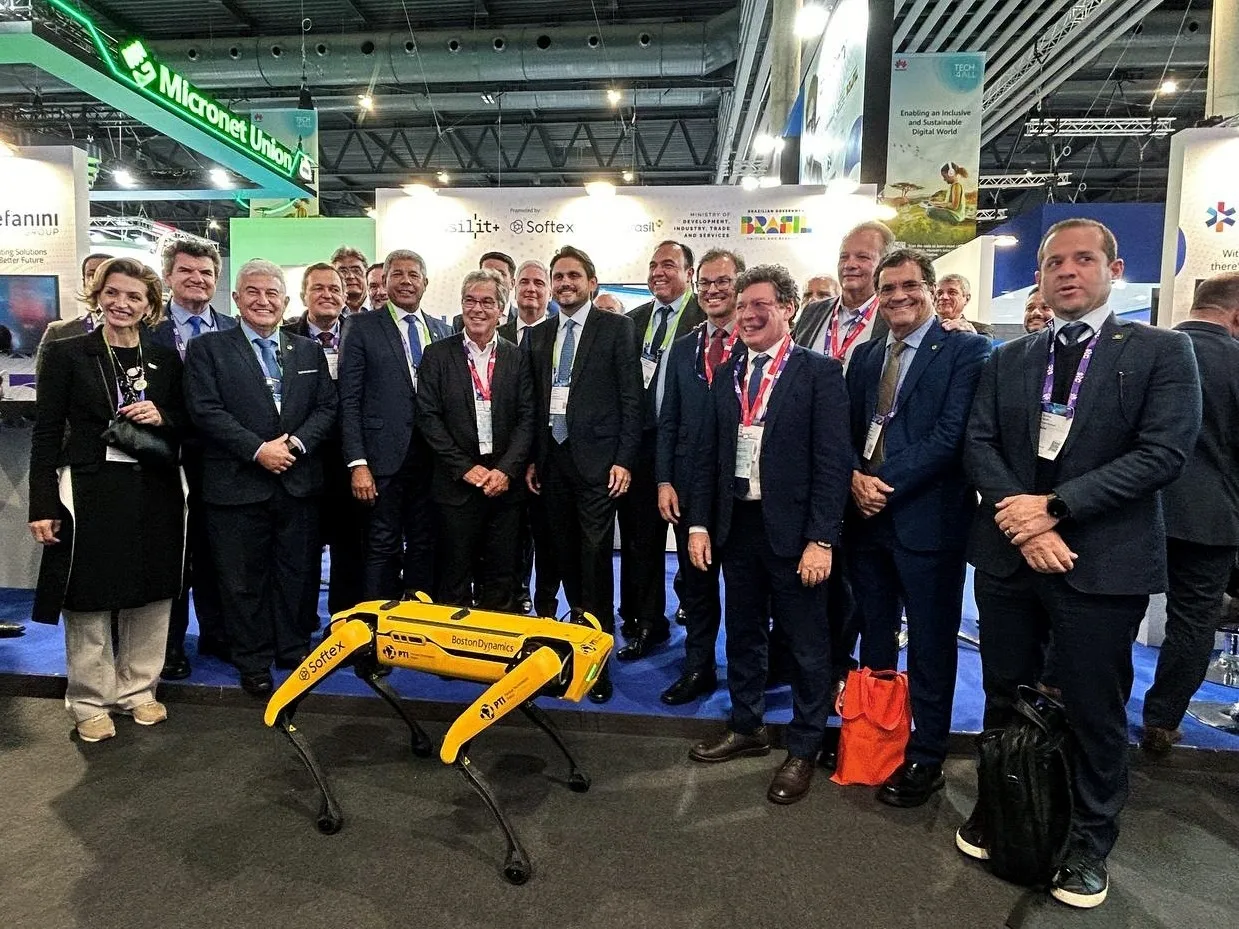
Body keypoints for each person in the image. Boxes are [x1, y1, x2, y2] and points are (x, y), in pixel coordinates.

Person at [960, 218, 1201, 909]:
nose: (1067, 271)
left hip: (1102, 561)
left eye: (1083, 259)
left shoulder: (1161, 351)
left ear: (1112, 270)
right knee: (1004, 694)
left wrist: (1054, 508)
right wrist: (1022, 519)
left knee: (1094, 707)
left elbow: (1162, 454)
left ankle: (1088, 841)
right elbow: (979, 444)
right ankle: (1002, 807)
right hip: (1010, 557)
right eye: (1054, 262)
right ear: (1038, 276)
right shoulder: (1009, 357)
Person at [686, 264, 851, 805]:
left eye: (761, 304)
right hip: (738, 527)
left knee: (807, 646)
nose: (748, 315)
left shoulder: (819, 373)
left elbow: (832, 463)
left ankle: (804, 747)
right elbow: (708, 456)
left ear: (788, 309)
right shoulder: (728, 372)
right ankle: (746, 725)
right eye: (742, 306)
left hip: (797, 535)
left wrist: (821, 539)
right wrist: (700, 523)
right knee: (744, 633)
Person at [844, 249, 991, 807]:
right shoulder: (865, 356)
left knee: (931, 645)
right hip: (867, 524)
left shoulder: (967, 351)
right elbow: (848, 429)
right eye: (887, 288)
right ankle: (877, 740)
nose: (898, 296)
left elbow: (951, 436)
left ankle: (926, 756)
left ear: (931, 289)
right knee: (875, 637)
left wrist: (878, 482)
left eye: (909, 286)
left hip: (929, 524)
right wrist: (854, 478)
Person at [28, 257, 186, 742]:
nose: (122, 303)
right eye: (113, 292)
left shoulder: (165, 358)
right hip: (91, 486)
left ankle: (139, 690)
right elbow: (46, 431)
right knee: (89, 593)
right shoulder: (67, 353)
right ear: (97, 294)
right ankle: (90, 699)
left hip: (155, 487)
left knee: (151, 589)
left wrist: (163, 416)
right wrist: (42, 503)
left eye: (134, 296)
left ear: (150, 305)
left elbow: (188, 422)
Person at [184, 260, 338, 698]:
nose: (263, 301)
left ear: (286, 301)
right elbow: (205, 410)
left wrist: (295, 445)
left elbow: (327, 407)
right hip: (236, 484)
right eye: (253, 292)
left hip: (297, 481)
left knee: (297, 574)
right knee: (242, 580)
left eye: (272, 294)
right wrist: (258, 450)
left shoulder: (306, 351)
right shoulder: (208, 349)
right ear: (236, 299)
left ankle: (292, 649)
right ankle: (252, 660)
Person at [525, 245, 642, 702]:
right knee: (562, 555)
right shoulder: (539, 335)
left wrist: (624, 459)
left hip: (599, 465)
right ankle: (573, 638)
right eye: (558, 276)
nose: (565, 283)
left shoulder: (617, 329)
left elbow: (631, 398)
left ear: (592, 283)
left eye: (573, 275)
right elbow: (535, 404)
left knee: (594, 559)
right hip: (551, 466)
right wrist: (532, 458)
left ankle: (597, 660)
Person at [794, 220, 895, 698]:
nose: (851, 265)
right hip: (808, 471)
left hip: (866, 472)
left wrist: (855, 469)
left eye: (864, 257)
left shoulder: (893, 319)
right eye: (845, 257)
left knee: (856, 581)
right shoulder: (813, 315)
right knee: (809, 575)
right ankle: (806, 661)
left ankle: (843, 667)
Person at [1142, 272, 1239, 754]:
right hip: (1213, 518)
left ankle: (1080, 704)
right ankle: (1162, 721)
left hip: (1137, 507)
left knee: (1113, 612)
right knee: (1194, 622)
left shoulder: (1146, 352)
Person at [655, 248, 744, 704]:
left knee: (748, 594)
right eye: (705, 283)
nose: (712, 291)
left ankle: (749, 677)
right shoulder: (684, 346)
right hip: (689, 489)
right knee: (696, 588)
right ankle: (698, 668)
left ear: (740, 284)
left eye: (722, 282)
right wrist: (664, 480)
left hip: (744, 491)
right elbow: (668, 419)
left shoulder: (758, 344)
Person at [338, 249, 453, 601]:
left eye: (413, 275)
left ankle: (417, 620)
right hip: (382, 460)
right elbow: (349, 400)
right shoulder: (361, 327)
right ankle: (376, 625)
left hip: (433, 459)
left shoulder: (442, 330)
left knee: (426, 543)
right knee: (382, 545)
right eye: (397, 274)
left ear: (425, 283)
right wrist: (357, 463)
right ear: (384, 281)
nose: (406, 281)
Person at [418, 269, 534, 611]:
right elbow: (428, 418)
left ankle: (494, 638)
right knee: (453, 575)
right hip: (456, 485)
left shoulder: (517, 357)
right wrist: (465, 468)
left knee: (501, 575)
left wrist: (506, 470)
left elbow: (527, 418)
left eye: (487, 302)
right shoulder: (437, 355)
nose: (477, 309)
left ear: (501, 310)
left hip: (504, 487)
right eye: (470, 301)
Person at [149, 239, 237, 680]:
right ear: (168, 276)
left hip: (224, 461)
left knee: (217, 553)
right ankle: (169, 645)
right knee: (171, 557)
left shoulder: (234, 329)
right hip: (164, 461)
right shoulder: (147, 330)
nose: (196, 279)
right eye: (186, 271)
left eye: (206, 272)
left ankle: (217, 635)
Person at [617, 240, 706, 660]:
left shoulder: (705, 318)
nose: (658, 272)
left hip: (688, 450)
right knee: (641, 543)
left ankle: (698, 645)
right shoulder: (632, 322)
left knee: (692, 546)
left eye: (668, 265)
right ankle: (648, 623)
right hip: (641, 447)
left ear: (689, 273)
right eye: (653, 265)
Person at [282, 264, 365, 622]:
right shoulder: (284, 336)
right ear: (304, 294)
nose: (327, 295)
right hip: (299, 457)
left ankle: (344, 622)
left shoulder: (362, 334)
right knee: (301, 548)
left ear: (345, 296)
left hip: (349, 457)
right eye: (318, 288)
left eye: (334, 289)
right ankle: (300, 622)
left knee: (350, 547)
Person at [499, 259, 559, 616]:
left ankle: (545, 603)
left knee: (545, 534)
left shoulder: (560, 334)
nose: (531, 289)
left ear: (548, 291)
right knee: (509, 532)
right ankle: (512, 591)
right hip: (503, 453)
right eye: (524, 282)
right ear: (514, 288)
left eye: (539, 282)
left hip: (546, 454)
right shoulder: (498, 333)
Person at [35, 253, 111, 373]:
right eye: (91, 274)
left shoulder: (139, 331)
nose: (98, 280)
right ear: (84, 282)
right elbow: (44, 380)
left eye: (106, 274)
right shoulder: (59, 333)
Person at [453, 251, 517, 331]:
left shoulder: (521, 320)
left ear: (512, 283)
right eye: (486, 273)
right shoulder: (459, 322)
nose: (493, 278)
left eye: (500, 274)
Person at [935, 273, 995, 337]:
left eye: (952, 293)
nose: (944, 297)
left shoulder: (982, 331)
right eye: (939, 293)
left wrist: (972, 336)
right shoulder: (927, 327)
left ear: (967, 299)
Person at [331, 246, 370, 314]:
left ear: (367, 274)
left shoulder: (381, 306)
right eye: (343, 271)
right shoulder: (327, 310)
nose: (350, 276)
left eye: (356, 270)